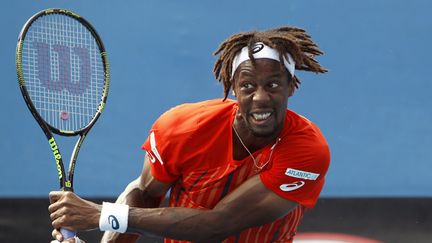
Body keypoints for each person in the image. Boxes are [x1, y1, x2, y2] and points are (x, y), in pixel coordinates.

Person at [49, 26, 330, 243]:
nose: (260, 98)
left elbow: (218, 225)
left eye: (272, 85)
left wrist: (100, 215)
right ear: (233, 88)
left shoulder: (307, 151)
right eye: (247, 86)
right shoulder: (182, 129)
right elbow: (144, 195)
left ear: (292, 86)